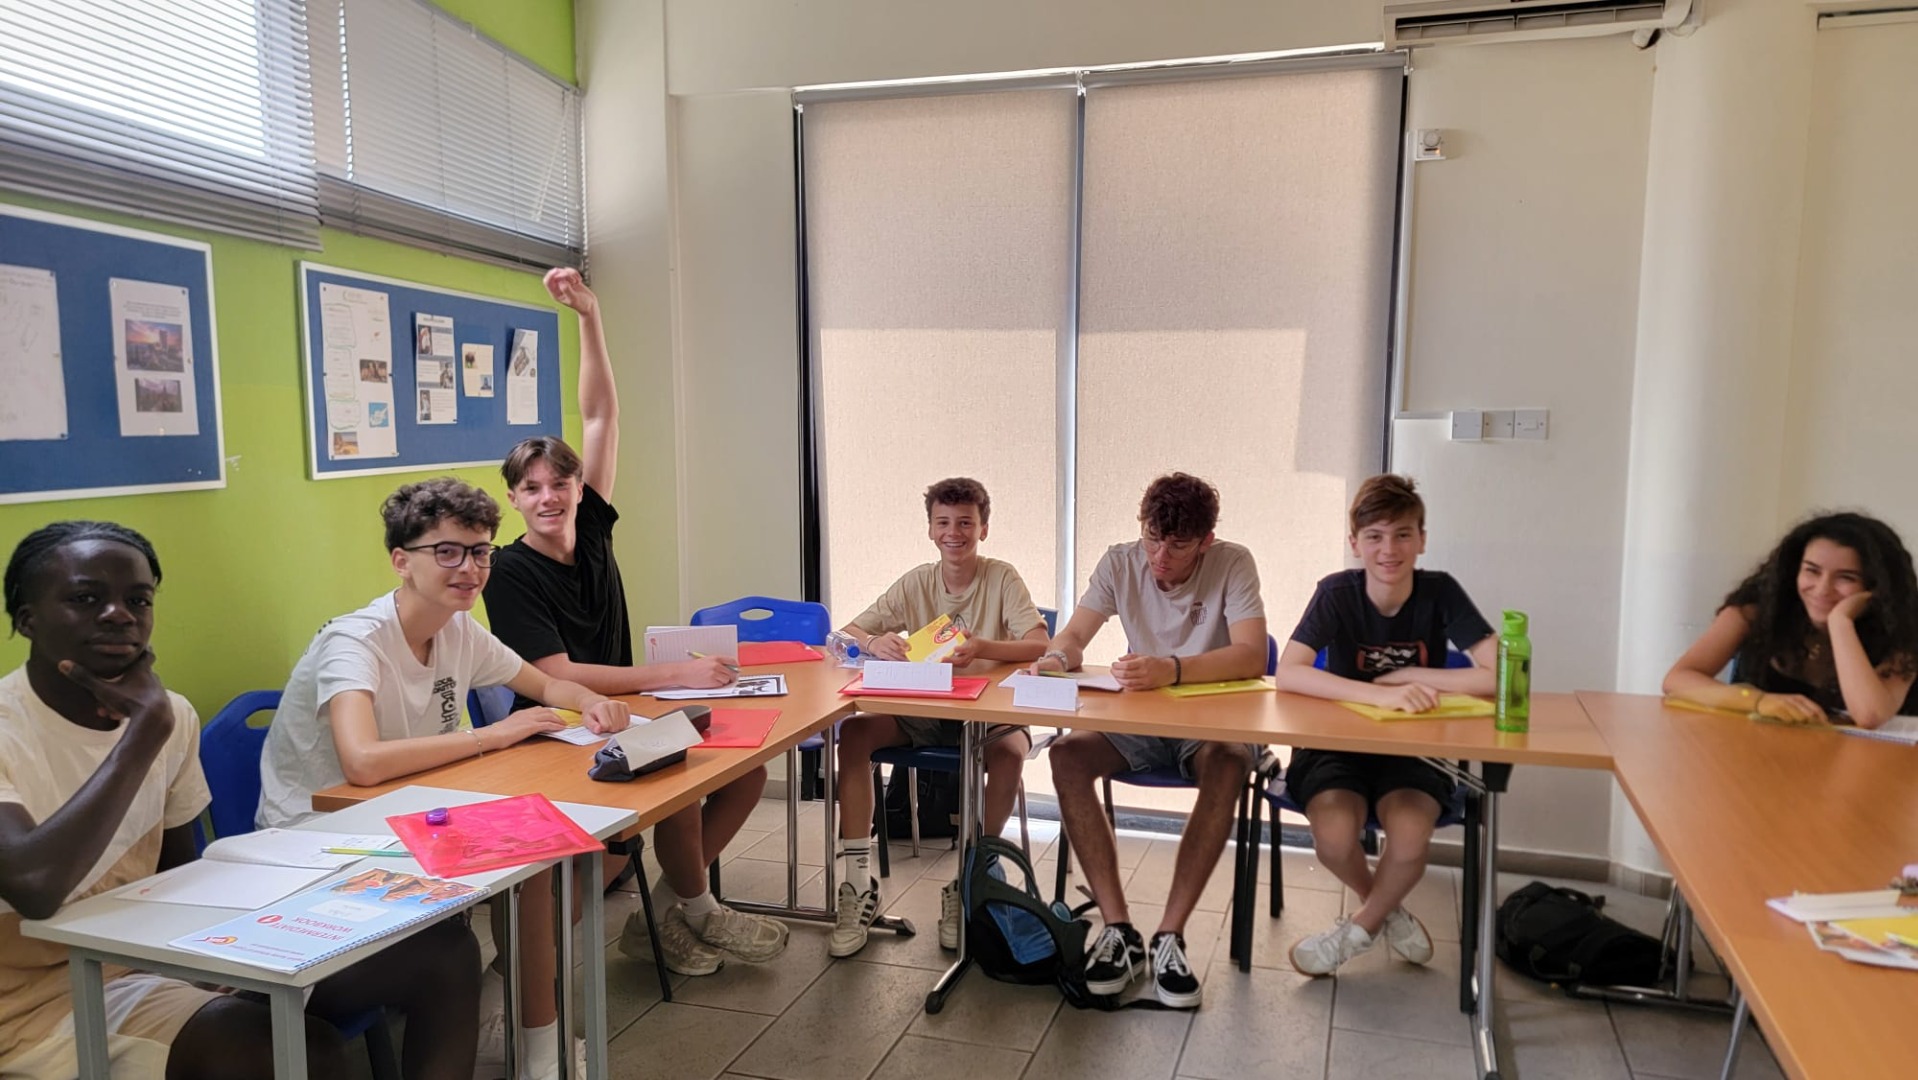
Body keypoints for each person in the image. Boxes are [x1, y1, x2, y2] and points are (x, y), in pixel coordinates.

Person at [0, 521, 479, 1080]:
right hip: (34, 1003)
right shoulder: (125, 724)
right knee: (290, 1051)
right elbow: (34, 887)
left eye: (138, 599)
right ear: (27, 618)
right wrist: (141, 737)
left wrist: (218, 954)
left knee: (443, 953)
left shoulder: (171, 715)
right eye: (86, 599)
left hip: (149, 962)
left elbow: (177, 872)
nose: (119, 615)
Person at [256, 478, 629, 1080]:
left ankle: (534, 1043)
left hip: (406, 816)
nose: (470, 568)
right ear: (401, 561)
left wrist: (589, 701)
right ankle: (529, 1039)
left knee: (549, 858)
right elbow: (362, 762)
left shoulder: (457, 629)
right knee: (530, 862)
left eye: (480, 551)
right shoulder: (354, 641)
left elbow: (543, 683)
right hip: (320, 841)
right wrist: (493, 735)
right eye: (448, 551)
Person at [482, 267, 789, 978]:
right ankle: (686, 914)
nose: (550, 496)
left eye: (561, 482)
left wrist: (589, 316)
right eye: (532, 488)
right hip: (560, 729)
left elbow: (601, 417)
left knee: (742, 771)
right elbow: (557, 674)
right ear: (514, 499)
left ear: (578, 488)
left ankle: (677, 911)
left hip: (623, 714)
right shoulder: (508, 570)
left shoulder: (591, 527)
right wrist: (676, 673)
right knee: (673, 780)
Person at [1033, 473, 1266, 1008]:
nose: (1160, 556)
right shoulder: (1120, 561)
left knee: (1229, 763)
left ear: (1205, 541)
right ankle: (1119, 930)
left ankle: (1170, 936)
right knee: (1066, 755)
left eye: (1178, 545)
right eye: (1152, 539)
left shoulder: (1233, 562)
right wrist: (1057, 658)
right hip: (1140, 716)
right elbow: (1075, 634)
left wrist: (1172, 668)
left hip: (1211, 719)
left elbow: (1252, 655)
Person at [1273, 473, 1496, 977]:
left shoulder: (1441, 592)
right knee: (1334, 837)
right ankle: (1386, 911)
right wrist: (1379, 693)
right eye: (1374, 536)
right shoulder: (1336, 592)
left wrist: (1412, 677)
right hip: (1335, 746)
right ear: (1355, 543)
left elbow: (1499, 676)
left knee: (1412, 836)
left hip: (1413, 749)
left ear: (1422, 540)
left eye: (1402, 535)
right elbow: (1289, 672)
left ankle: (1358, 929)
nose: (1389, 549)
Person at [828, 478, 1049, 958]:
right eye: (943, 523)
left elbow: (1039, 644)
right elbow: (846, 633)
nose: (954, 533)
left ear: (983, 528)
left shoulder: (1002, 577)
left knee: (1011, 753)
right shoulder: (916, 582)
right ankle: (857, 883)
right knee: (856, 733)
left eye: (966, 523)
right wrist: (874, 642)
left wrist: (984, 648)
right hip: (926, 708)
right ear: (930, 529)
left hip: (989, 711)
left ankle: (972, 878)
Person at [1663, 511, 1918, 729]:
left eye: (1846, 577)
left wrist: (1841, 623)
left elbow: (1870, 715)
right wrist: (1758, 701)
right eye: (1812, 571)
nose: (1822, 589)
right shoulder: (1757, 610)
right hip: (1767, 755)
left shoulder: (1906, 629)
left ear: (1878, 587)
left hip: (1877, 763)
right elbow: (1678, 678)